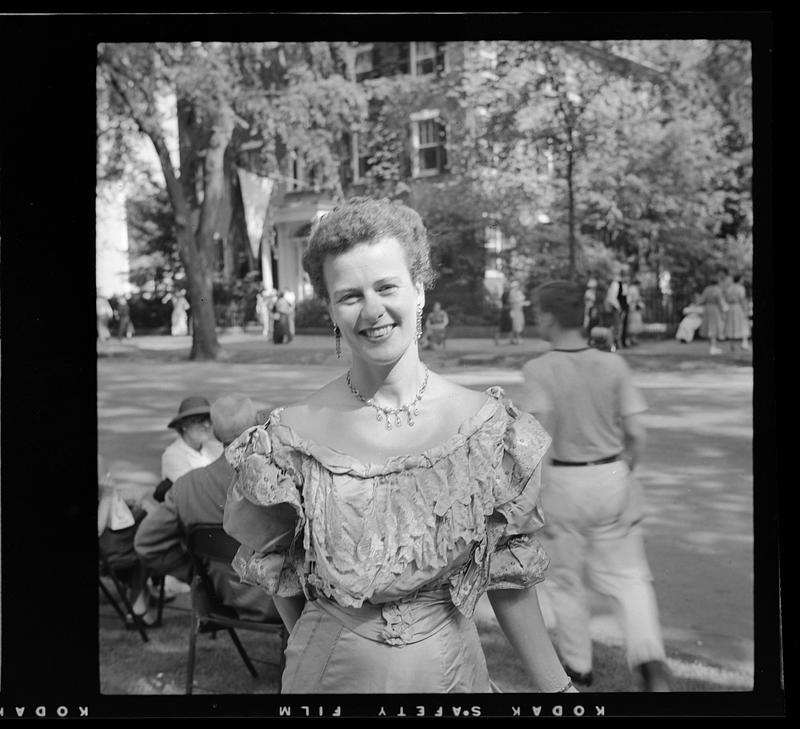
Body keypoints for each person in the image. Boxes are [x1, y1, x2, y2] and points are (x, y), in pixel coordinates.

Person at [222, 197, 577, 694]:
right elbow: (283, 578)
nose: (373, 310)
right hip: (329, 678)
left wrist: (558, 691)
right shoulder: (287, 438)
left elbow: (509, 576)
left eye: (386, 286)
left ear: (419, 292)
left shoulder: (490, 429)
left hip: (454, 676)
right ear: (328, 309)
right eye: (349, 295)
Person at [517, 280, 671, 692]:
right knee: (628, 577)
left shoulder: (540, 369)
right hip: (610, 473)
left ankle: (579, 669)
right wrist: (626, 472)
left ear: (549, 317)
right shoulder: (613, 365)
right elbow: (637, 432)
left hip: (564, 478)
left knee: (565, 581)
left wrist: (533, 494)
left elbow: (540, 434)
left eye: (537, 311)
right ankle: (650, 659)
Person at [135, 395, 280, 622]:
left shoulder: (186, 487)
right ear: (257, 426)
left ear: (214, 433)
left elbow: (146, 542)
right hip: (284, 601)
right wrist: (195, 572)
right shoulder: (282, 477)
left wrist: (198, 574)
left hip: (224, 596)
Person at [98, 455, 159, 627]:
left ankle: (142, 593)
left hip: (110, 539)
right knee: (149, 540)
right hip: (106, 550)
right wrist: (108, 495)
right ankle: (139, 600)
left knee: (148, 512)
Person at [161, 396, 224, 486]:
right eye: (199, 420)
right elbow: (194, 489)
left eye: (209, 419)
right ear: (184, 425)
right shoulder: (173, 455)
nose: (206, 425)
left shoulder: (216, 447)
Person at [698, 272, 729, 355]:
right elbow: (720, 302)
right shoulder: (717, 290)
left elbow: (701, 301)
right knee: (713, 328)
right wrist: (724, 310)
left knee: (709, 328)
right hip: (715, 309)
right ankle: (713, 348)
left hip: (707, 309)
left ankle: (712, 347)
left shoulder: (706, 289)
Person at [723, 274, 751, 352]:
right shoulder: (740, 288)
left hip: (730, 308)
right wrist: (745, 309)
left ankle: (732, 345)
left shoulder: (729, 288)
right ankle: (744, 344)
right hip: (738, 307)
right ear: (739, 280)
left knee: (731, 325)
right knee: (743, 324)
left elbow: (726, 298)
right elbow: (742, 299)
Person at [508, 280, 529, 344]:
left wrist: (524, 303)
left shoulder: (518, 292)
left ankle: (516, 338)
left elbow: (521, 300)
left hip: (519, 311)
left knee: (519, 324)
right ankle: (516, 338)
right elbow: (513, 302)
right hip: (515, 311)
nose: (517, 287)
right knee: (515, 325)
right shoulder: (512, 293)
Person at [625, 278, 643, 346]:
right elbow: (631, 299)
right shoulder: (633, 289)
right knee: (632, 324)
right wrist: (637, 300)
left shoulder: (633, 289)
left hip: (634, 308)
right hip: (633, 308)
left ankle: (633, 338)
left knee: (635, 324)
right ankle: (631, 339)